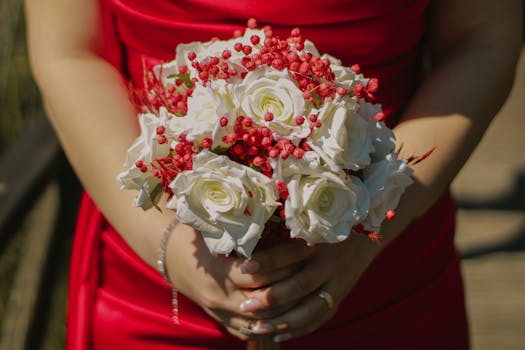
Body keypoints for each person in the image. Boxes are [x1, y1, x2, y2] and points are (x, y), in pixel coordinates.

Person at [25, 0, 521, 349]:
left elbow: (480, 39)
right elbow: (70, 50)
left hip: (384, 258)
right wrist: (167, 244)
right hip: (154, 281)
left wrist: (371, 225)